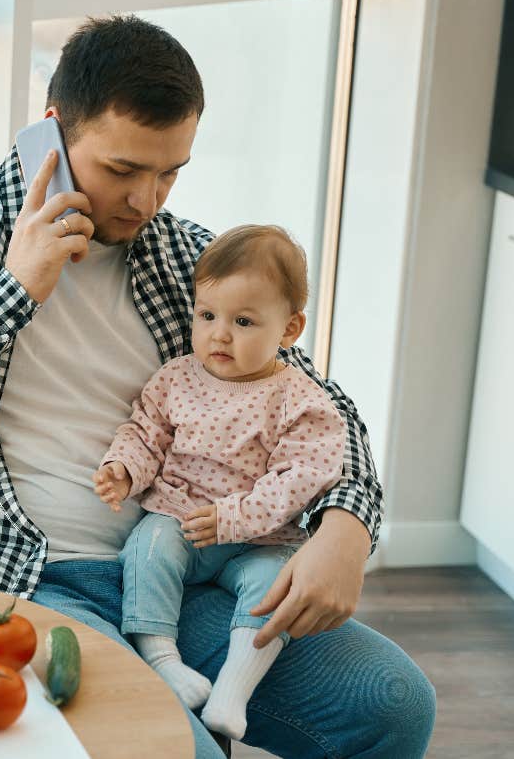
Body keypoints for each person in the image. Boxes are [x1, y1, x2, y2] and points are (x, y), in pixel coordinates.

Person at [0, 14, 435, 757]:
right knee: (179, 750)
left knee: (394, 705)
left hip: (178, 573)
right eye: (122, 169)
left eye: (170, 171)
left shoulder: (189, 260)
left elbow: (317, 406)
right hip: (8, 579)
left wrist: (347, 526)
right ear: (53, 130)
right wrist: (13, 292)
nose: (148, 200)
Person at [92, 225, 346, 740]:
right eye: (206, 316)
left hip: (260, 538)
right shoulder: (177, 378)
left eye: (244, 321)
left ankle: (235, 686)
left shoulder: (301, 400)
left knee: (272, 589)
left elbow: (302, 476)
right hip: (181, 519)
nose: (220, 334)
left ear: (290, 329)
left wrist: (235, 518)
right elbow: (146, 433)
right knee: (147, 549)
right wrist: (124, 469)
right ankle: (163, 659)